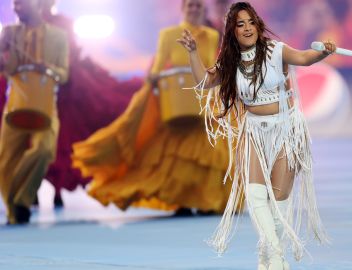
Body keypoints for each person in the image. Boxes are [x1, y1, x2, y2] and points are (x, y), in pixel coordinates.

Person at [177, 2, 333, 268]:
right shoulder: (230, 61)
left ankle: (268, 256)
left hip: (286, 129)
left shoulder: (276, 50)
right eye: (240, 24)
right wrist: (193, 53)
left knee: (279, 202)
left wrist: (323, 53)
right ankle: (275, 257)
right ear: (233, 32)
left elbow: (306, 58)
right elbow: (204, 82)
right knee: (256, 195)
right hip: (254, 132)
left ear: (258, 25)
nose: (247, 28)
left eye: (251, 22)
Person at [71, 0, 231, 215]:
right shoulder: (168, 34)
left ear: (203, 10)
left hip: (202, 99)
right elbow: (157, 66)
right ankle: (181, 200)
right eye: (190, 5)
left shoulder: (211, 36)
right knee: (175, 153)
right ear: (183, 9)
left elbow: (211, 67)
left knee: (207, 150)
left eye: (198, 6)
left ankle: (206, 200)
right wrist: (155, 77)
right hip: (176, 98)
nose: (194, 9)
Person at [38, 0, 138, 207]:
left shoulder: (64, 21)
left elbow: (70, 51)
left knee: (65, 138)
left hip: (68, 86)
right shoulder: (30, 22)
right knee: (39, 138)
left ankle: (56, 188)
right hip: (39, 86)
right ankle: (31, 189)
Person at [0, 0, 68, 224]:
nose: (16, 7)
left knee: (45, 150)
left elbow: (64, 74)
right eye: (14, 4)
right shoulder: (9, 32)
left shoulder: (58, 36)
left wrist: (46, 68)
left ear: (38, 4)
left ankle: (21, 198)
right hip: (16, 103)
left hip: (46, 104)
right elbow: (3, 68)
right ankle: (15, 212)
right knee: (6, 160)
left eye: (21, 3)